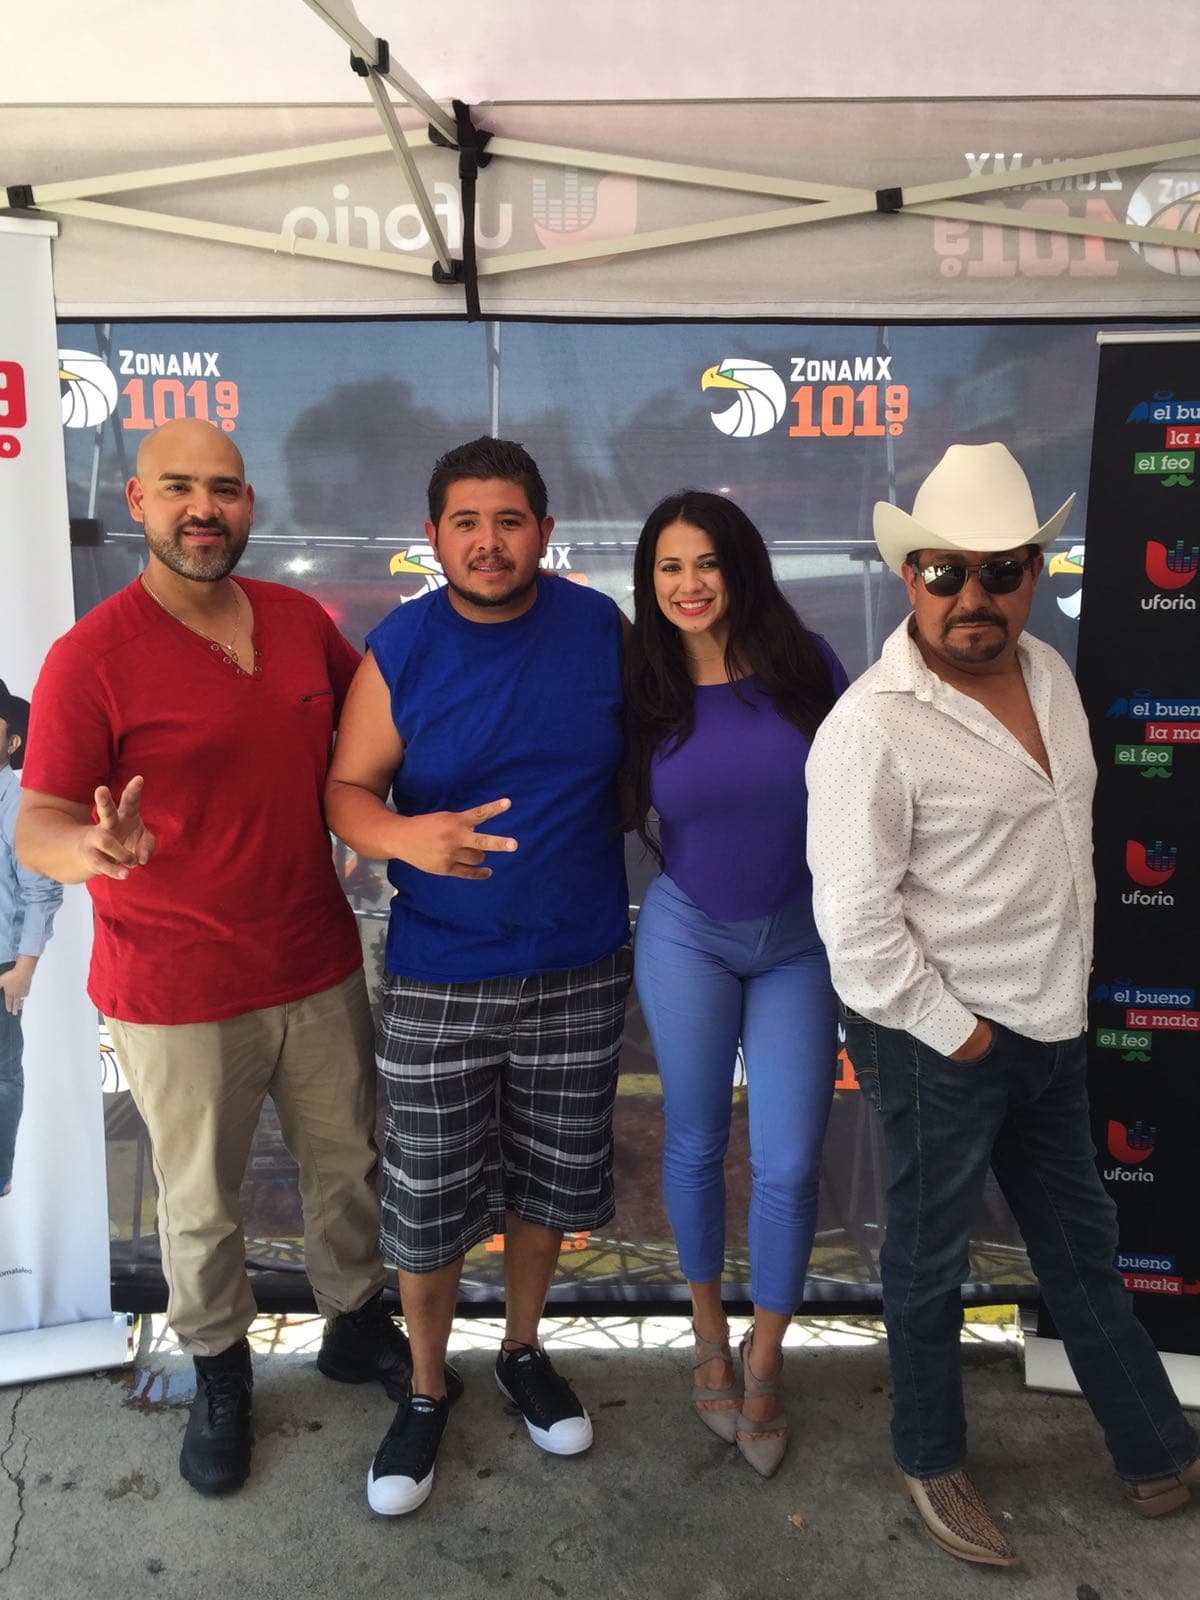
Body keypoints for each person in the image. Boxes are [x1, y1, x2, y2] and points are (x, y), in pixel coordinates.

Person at [806, 442, 1200, 1567]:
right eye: (946, 572)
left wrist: (1051, 1012)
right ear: (908, 575)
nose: (974, 596)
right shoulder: (870, 727)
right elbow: (858, 928)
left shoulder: (1053, 677)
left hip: (1053, 1026)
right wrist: (967, 1033)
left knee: (1084, 1248)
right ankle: (930, 1456)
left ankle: (1154, 1447)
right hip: (940, 1037)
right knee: (928, 1264)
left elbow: (1068, 852)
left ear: (1036, 572)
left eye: (1002, 569)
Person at [16, 418, 411, 1497]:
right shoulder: (89, 656)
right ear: (137, 503)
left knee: (348, 1170)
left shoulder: (296, 621)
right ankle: (220, 1366)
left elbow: (376, 736)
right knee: (200, 1203)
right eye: (179, 488)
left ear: (249, 504)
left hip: (317, 960)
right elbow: (36, 821)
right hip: (177, 989)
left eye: (226, 489)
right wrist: (92, 848)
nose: (205, 508)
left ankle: (351, 1322)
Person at [324, 436, 631, 1517]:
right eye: (466, 522)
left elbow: (661, 754)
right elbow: (347, 790)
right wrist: (406, 838)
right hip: (440, 974)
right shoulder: (401, 647)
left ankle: (522, 1350)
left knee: (548, 1182)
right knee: (426, 1203)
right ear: (435, 537)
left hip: (578, 964)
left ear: (545, 531)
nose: (488, 541)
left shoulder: (599, 628)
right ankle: (421, 1387)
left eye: (509, 520)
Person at [624, 491, 846, 1477]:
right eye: (668, 567)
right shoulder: (644, 682)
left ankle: (766, 1356)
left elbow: (866, 800)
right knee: (697, 1138)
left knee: (792, 1160)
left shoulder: (808, 666)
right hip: (689, 935)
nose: (688, 584)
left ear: (740, 566)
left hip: (802, 941)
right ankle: (708, 1329)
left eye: (705, 562)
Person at [0, 681, 63, 1198]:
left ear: (12, 742)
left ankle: (0, 1172)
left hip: (0, 962)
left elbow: (41, 889)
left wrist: (24, 966)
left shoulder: (18, 804)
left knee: (1, 1075)